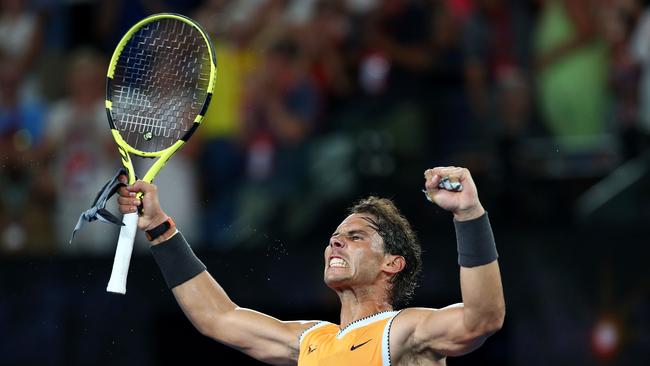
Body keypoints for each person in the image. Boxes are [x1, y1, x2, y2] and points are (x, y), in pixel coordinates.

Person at [116, 166, 505, 365]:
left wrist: (469, 213)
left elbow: (481, 319)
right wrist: (160, 230)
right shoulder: (310, 342)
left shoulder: (404, 331)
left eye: (356, 237)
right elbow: (217, 318)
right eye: (335, 236)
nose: (335, 241)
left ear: (392, 264)